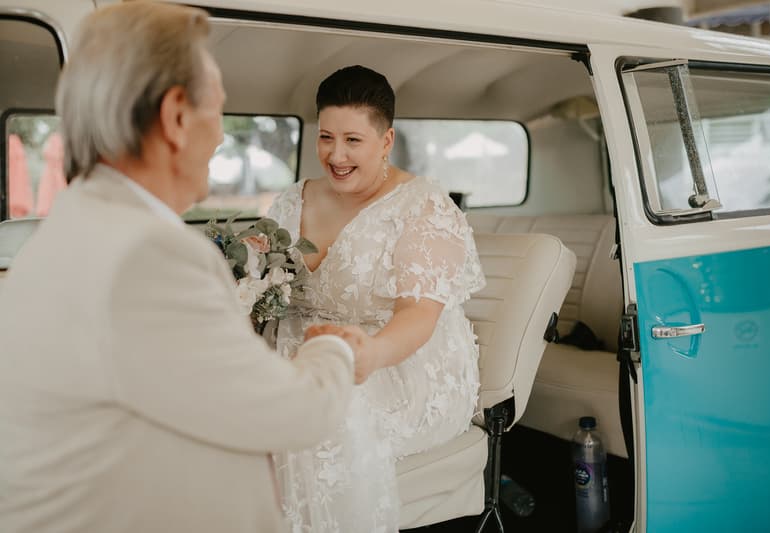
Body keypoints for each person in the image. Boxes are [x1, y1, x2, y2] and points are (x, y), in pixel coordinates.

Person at [0, 4, 363, 533]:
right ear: (175, 117)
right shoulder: (148, 255)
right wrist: (333, 347)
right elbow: (294, 413)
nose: (219, 138)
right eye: (216, 109)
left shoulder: (64, 229)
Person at [268, 65, 486, 532]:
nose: (336, 154)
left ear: (386, 141)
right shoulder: (291, 202)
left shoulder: (422, 206)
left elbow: (419, 314)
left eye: (353, 140)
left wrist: (371, 352)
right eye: (326, 138)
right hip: (303, 340)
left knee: (318, 410)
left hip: (402, 359)